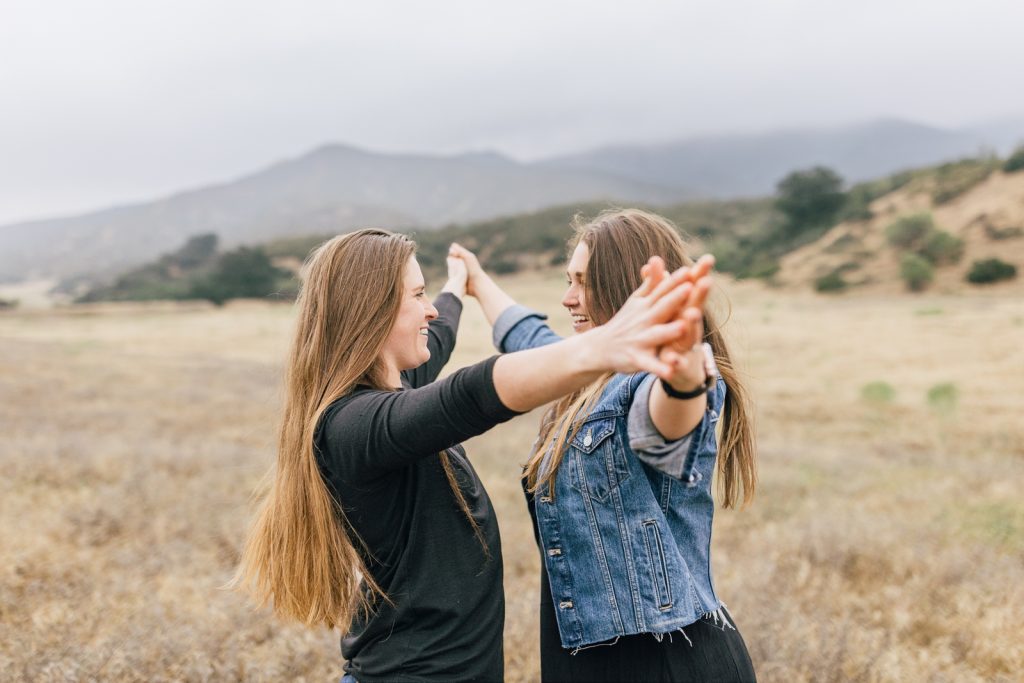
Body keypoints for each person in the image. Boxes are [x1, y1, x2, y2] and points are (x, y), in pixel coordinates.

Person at [231, 228, 710, 683]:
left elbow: (438, 339)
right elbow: (466, 395)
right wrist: (600, 347)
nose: (430, 311)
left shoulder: (390, 394)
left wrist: (460, 286)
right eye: (416, 296)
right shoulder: (355, 426)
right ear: (372, 312)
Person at [450, 208, 758, 682]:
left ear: (625, 290)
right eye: (568, 279)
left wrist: (681, 379)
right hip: (587, 661)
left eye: (583, 282)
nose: (568, 297)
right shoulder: (587, 375)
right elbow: (528, 338)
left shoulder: (647, 381)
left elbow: (665, 436)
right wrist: (476, 279)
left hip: (664, 663)